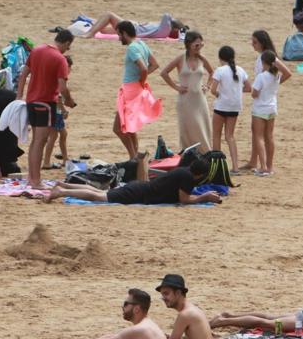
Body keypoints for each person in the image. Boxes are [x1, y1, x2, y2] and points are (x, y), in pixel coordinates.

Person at [16, 30, 75, 188]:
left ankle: (32, 178)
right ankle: (35, 181)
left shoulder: (37, 50)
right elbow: (62, 87)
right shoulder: (60, 59)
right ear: (67, 43)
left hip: (31, 101)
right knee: (40, 141)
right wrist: (69, 100)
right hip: (45, 103)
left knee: (36, 140)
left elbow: (23, 74)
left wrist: (19, 95)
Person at [46, 158, 222, 206]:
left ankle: (64, 186)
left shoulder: (184, 171)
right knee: (98, 196)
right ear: (200, 175)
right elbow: (184, 199)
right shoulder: (188, 178)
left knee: (99, 193)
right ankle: (62, 192)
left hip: (139, 188)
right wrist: (203, 197)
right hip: (139, 193)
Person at [69, 288, 172, 339]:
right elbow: (111, 338)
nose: (122, 307)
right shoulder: (150, 325)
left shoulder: (139, 330)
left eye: (126, 304)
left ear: (137, 309)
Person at [114, 20, 162, 159]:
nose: (119, 38)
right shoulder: (142, 44)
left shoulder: (132, 48)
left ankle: (133, 156)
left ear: (124, 33)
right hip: (135, 88)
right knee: (129, 126)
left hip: (131, 89)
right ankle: (134, 155)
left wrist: (141, 80)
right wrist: (140, 80)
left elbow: (144, 68)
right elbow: (155, 64)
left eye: (119, 35)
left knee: (118, 127)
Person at [160, 31, 213, 153]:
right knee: (187, 129)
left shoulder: (202, 59)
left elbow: (212, 73)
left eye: (201, 45)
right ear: (188, 44)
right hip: (185, 101)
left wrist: (207, 86)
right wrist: (176, 87)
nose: (199, 48)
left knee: (202, 128)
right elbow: (164, 73)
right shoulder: (180, 59)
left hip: (200, 100)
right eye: (196, 45)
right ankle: (189, 155)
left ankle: (206, 154)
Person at [209, 45, 249, 172]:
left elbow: (213, 90)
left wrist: (218, 94)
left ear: (221, 58)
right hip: (234, 107)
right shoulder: (241, 70)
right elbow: (248, 88)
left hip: (221, 106)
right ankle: (235, 166)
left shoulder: (220, 70)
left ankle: (217, 167)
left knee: (216, 135)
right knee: (230, 136)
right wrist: (236, 91)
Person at [158, 274, 212, 339]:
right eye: (162, 294)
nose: (163, 298)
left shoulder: (185, 315)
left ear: (178, 293)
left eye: (166, 294)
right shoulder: (193, 310)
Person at [249, 50, 280, 176]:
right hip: (272, 107)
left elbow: (254, 94)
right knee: (269, 136)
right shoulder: (277, 75)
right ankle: (270, 166)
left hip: (260, 109)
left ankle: (263, 166)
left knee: (259, 137)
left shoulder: (261, 76)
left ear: (263, 62)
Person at [81, 12, 177, 39]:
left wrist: (182, 28)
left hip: (131, 28)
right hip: (133, 28)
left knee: (109, 15)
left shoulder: (165, 30)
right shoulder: (162, 30)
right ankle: (90, 21)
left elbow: (167, 15)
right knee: (103, 30)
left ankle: (90, 33)